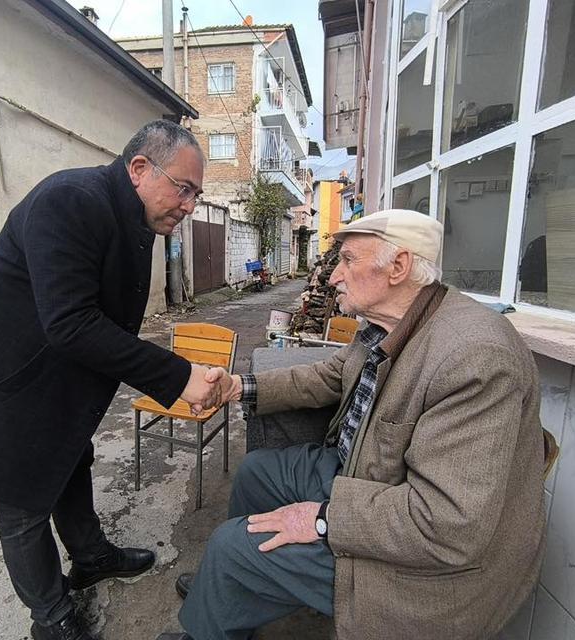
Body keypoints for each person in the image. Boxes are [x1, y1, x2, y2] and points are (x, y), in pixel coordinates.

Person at [157, 209, 547, 640]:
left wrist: (322, 519)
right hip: (362, 474)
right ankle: (230, 590)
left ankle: (230, 574)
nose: (334, 276)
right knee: (255, 474)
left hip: (430, 565)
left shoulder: (473, 357)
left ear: (398, 267)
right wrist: (235, 387)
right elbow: (328, 376)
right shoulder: (388, 323)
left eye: (347, 260)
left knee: (232, 547)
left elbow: (447, 525)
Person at [0, 120, 221, 640]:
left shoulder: (131, 216)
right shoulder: (70, 200)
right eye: (184, 188)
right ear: (140, 168)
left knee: (70, 458)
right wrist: (179, 377)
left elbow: (102, 320)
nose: (190, 205)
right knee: (22, 505)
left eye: (196, 194)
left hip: (54, 373)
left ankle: (90, 556)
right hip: (4, 378)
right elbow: (71, 322)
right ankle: (51, 618)